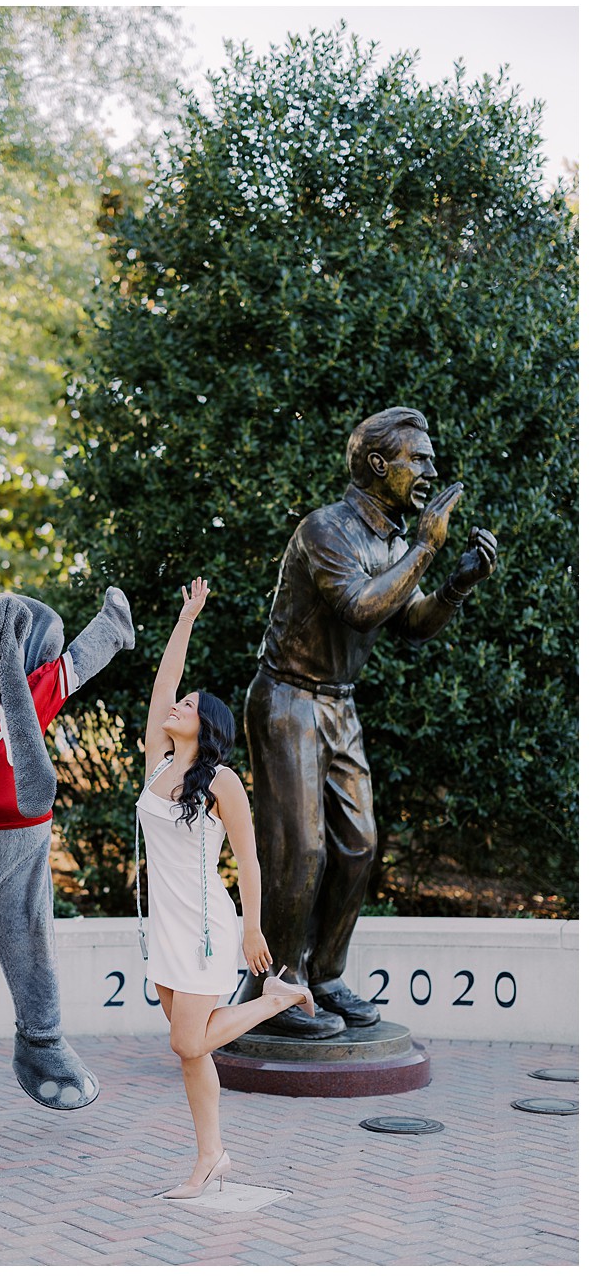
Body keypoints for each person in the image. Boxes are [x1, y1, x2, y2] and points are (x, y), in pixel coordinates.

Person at [244, 406, 498, 1035]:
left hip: (339, 703)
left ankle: (324, 976)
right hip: (288, 702)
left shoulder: (388, 540)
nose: (431, 469)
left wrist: (455, 587)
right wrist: (426, 548)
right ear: (380, 464)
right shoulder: (326, 530)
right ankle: (276, 988)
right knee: (298, 852)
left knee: (357, 847)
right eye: (419, 458)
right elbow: (360, 608)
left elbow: (407, 622)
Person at [140, 578, 313, 1198]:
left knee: (187, 1038)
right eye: (178, 703)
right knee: (194, 1054)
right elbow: (164, 682)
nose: (177, 705)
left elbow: (251, 860)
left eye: (189, 704)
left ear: (205, 724)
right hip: (165, 924)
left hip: (207, 923)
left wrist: (253, 928)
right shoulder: (160, 761)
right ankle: (211, 1156)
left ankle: (276, 1000)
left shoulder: (224, 784)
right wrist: (187, 615)